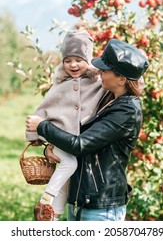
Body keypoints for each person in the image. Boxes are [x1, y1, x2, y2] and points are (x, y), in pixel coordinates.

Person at [26, 38, 149, 221]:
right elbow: (75, 132)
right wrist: (50, 147)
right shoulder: (108, 100)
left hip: (101, 207)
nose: (99, 72)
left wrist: (42, 126)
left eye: (105, 70)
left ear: (122, 79)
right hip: (79, 201)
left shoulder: (126, 111)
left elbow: (80, 144)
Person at [25, 29, 106, 221]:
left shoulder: (98, 82)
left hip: (79, 141)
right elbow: (42, 111)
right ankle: (46, 199)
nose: (73, 64)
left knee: (66, 183)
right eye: (67, 60)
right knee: (70, 163)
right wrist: (34, 137)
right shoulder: (59, 85)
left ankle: (52, 217)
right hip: (58, 137)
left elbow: (120, 84)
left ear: (89, 59)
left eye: (78, 59)